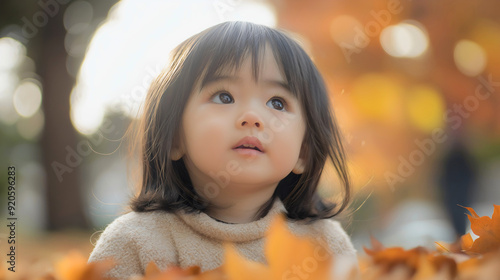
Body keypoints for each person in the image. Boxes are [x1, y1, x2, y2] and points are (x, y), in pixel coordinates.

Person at [88, 21, 356, 279]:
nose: (252, 117)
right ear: (173, 139)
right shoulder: (134, 241)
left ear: (304, 153)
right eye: (224, 96)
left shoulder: (324, 245)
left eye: (277, 102)